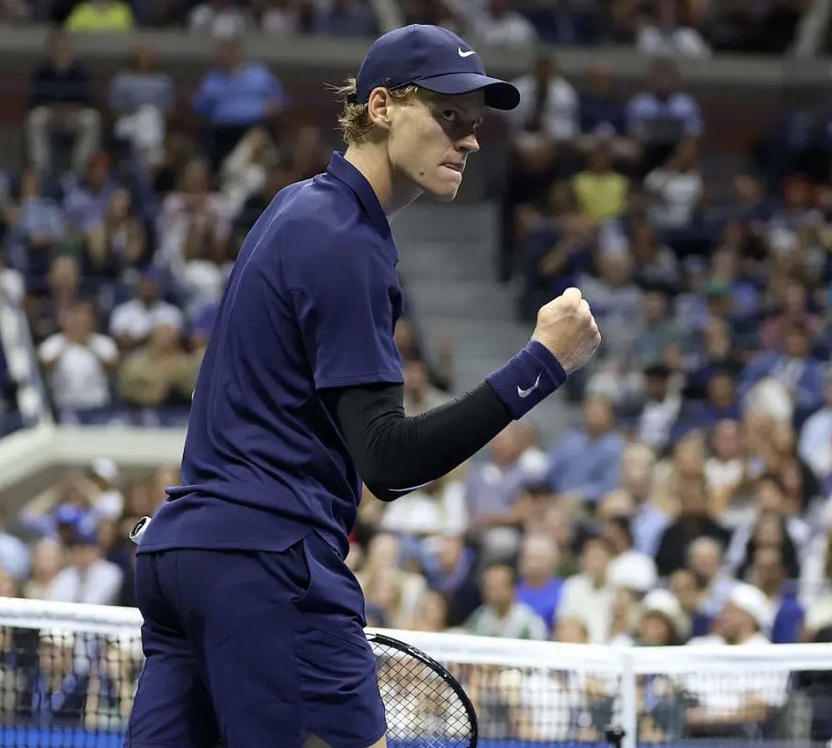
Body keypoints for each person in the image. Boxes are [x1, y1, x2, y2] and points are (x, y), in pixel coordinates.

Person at [125, 24, 602, 748]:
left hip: (180, 559)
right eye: (448, 116)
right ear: (380, 107)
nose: (469, 139)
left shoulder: (297, 208)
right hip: (267, 562)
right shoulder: (345, 240)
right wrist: (543, 363)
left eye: (473, 124)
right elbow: (388, 460)